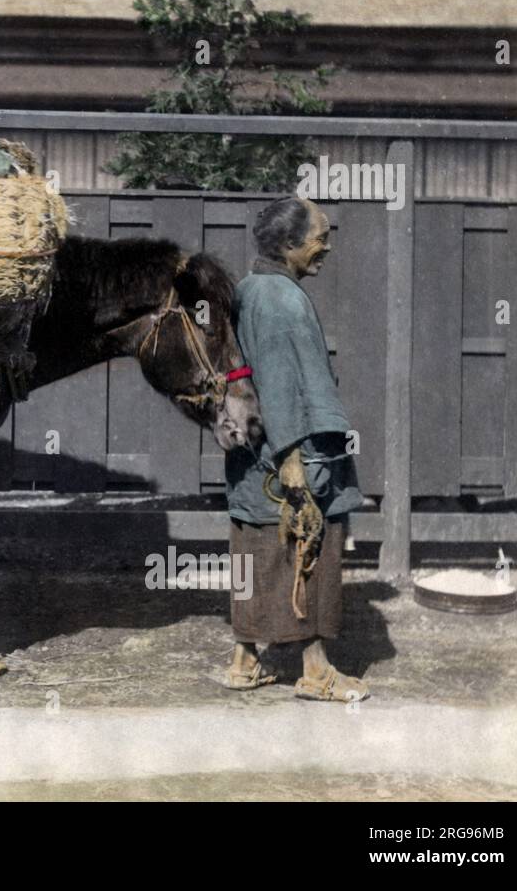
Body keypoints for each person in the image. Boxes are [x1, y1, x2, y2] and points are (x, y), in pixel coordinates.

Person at [222, 196, 370, 701]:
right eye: (320, 238)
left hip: (254, 458)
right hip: (288, 454)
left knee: (255, 548)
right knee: (307, 543)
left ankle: (245, 660)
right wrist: (292, 463)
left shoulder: (249, 288)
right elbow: (280, 387)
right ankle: (316, 670)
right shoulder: (280, 300)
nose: (327, 247)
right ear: (289, 244)